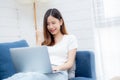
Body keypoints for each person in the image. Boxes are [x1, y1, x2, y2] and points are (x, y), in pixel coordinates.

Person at [4, 8, 78, 80]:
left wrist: (57, 68)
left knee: (31, 77)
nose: (51, 27)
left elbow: (70, 63)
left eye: (53, 23)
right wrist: (39, 39)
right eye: (48, 24)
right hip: (42, 72)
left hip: (59, 73)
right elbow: (35, 60)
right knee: (20, 75)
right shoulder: (46, 41)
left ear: (61, 22)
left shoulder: (70, 38)